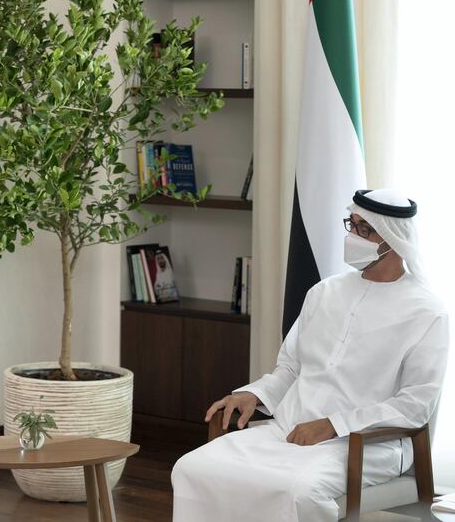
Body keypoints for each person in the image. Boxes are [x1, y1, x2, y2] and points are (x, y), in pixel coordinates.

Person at [171, 188, 449, 522]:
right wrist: (253, 394)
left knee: (301, 491)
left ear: (392, 238)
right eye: (352, 224)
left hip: (369, 445)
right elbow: (290, 368)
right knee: (193, 468)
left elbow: (415, 406)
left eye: (365, 229)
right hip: (289, 429)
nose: (352, 235)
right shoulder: (324, 292)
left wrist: (333, 425)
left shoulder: (426, 312)